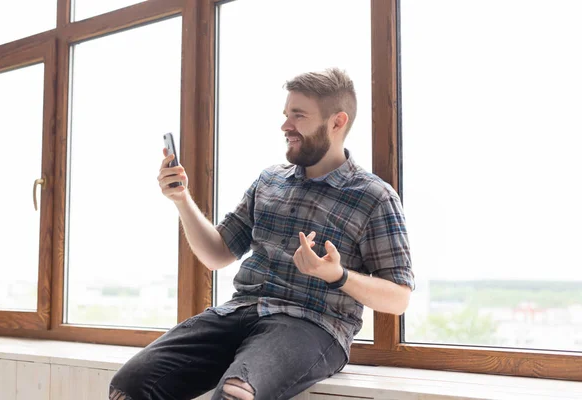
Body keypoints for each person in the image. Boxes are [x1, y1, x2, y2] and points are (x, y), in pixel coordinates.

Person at [109, 68, 415, 400]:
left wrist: (337, 275)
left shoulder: (373, 197)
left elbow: (399, 298)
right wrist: (181, 199)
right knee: (130, 385)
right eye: (287, 115)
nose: (286, 126)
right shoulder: (269, 180)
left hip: (311, 324)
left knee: (236, 394)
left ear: (337, 122)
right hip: (240, 312)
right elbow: (217, 254)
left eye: (298, 116)